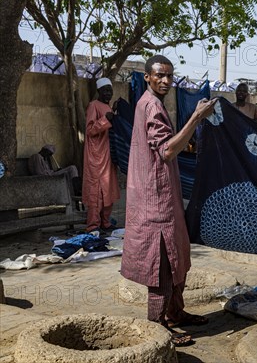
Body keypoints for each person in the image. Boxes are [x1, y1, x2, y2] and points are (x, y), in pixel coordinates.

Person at [121, 55, 216, 347]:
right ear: (147, 77)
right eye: (159, 75)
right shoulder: (150, 106)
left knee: (178, 257)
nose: (165, 81)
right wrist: (196, 118)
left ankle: (175, 313)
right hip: (155, 200)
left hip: (164, 195)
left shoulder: (153, 104)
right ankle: (158, 328)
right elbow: (165, 151)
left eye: (169, 76)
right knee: (161, 264)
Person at [82, 78, 120, 232]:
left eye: (110, 90)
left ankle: (105, 222)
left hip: (108, 155)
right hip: (96, 156)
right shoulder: (93, 106)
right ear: (98, 91)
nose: (108, 93)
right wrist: (106, 119)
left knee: (108, 190)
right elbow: (90, 130)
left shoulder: (107, 106)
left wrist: (114, 113)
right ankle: (93, 225)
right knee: (95, 191)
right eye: (105, 90)